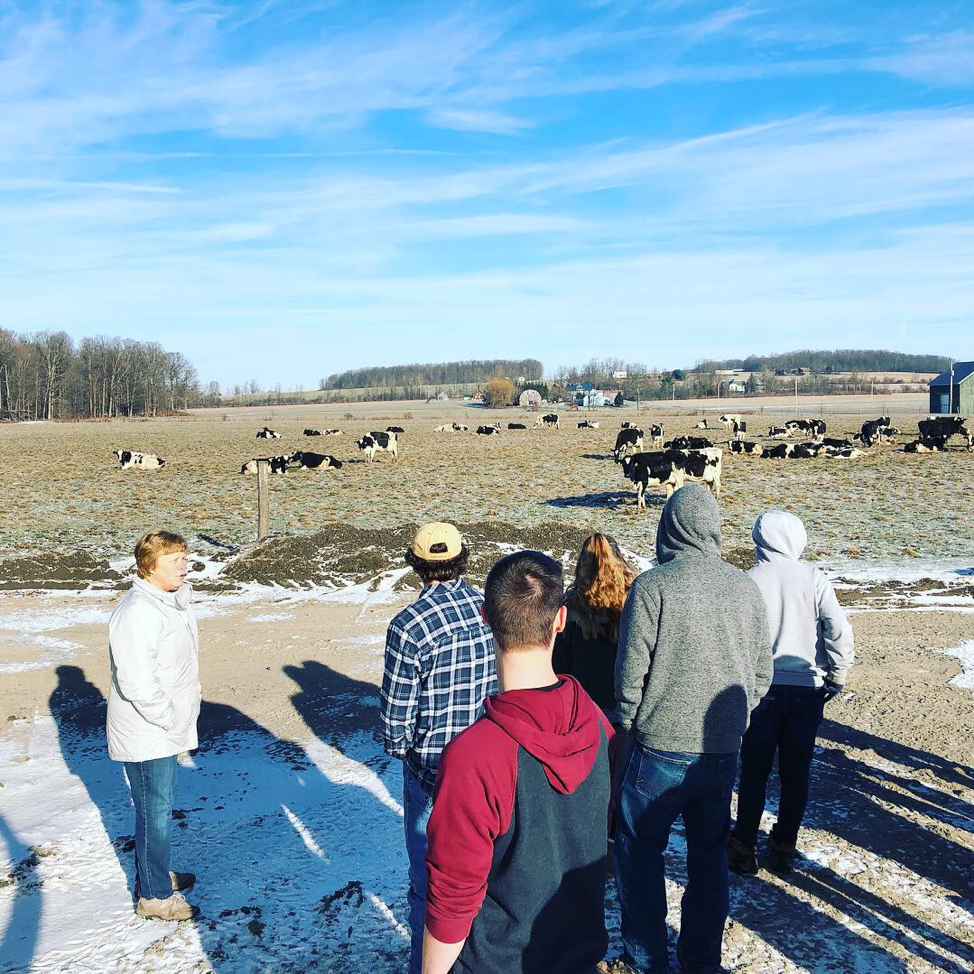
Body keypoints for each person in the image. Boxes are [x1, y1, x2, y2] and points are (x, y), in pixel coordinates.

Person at [422, 551, 615, 974]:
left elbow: (452, 901)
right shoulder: (598, 726)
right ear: (560, 620)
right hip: (579, 956)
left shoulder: (474, 756)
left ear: (485, 616)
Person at [614, 484, 773, 974]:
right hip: (721, 752)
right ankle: (701, 960)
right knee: (709, 861)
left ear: (669, 529)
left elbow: (628, 675)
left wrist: (626, 723)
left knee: (639, 854)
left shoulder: (652, 587)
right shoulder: (745, 587)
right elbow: (762, 673)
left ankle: (647, 960)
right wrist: (737, 721)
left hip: (658, 749)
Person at [380, 522, 496, 974]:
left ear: (416, 565)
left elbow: (395, 718)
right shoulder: (488, 610)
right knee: (481, 876)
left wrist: (403, 749)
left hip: (432, 770)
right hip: (486, 767)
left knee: (430, 885)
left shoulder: (407, 627)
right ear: (462, 559)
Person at [728, 511, 855, 877]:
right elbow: (837, 629)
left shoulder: (746, 581)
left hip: (760, 690)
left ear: (759, 538)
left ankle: (743, 846)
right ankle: (784, 846)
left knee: (754, 771)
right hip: (806, 690)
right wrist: (837, 674)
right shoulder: (814, 579)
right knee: (795, 774)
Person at [107, 530, 201, 921]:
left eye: (184, 556)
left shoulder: (167, 602)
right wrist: (170, 719)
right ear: (149, 566)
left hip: (163, 726)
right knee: (154, 812)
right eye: (174, 559)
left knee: (158, 810)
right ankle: (154, 896)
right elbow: (137, 681)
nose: (184, 565)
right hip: (149, 729)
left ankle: (154, 872)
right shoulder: (138, 612)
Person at [553, 532, 637, 721]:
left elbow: (559, 667)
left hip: (583, 711)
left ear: (581, 567)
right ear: (620, 562)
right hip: (625, 708)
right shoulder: (635, 603)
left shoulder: (569, 610)